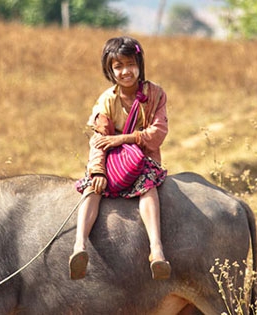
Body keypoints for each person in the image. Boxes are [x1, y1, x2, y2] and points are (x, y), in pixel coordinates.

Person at [69, 36, 170, 281]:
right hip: (112, 162)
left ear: (140, 64)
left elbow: (158, 134)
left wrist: (122, 139)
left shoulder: (155, 94)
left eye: (130, 64)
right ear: (109, 70)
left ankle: (156, 250)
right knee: (91, 190)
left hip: (143, 160)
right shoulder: (106, 101)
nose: (126, 71)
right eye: (118, 66)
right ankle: (79, 247)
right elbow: (99, 141)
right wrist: (99, 172)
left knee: (148, 188)